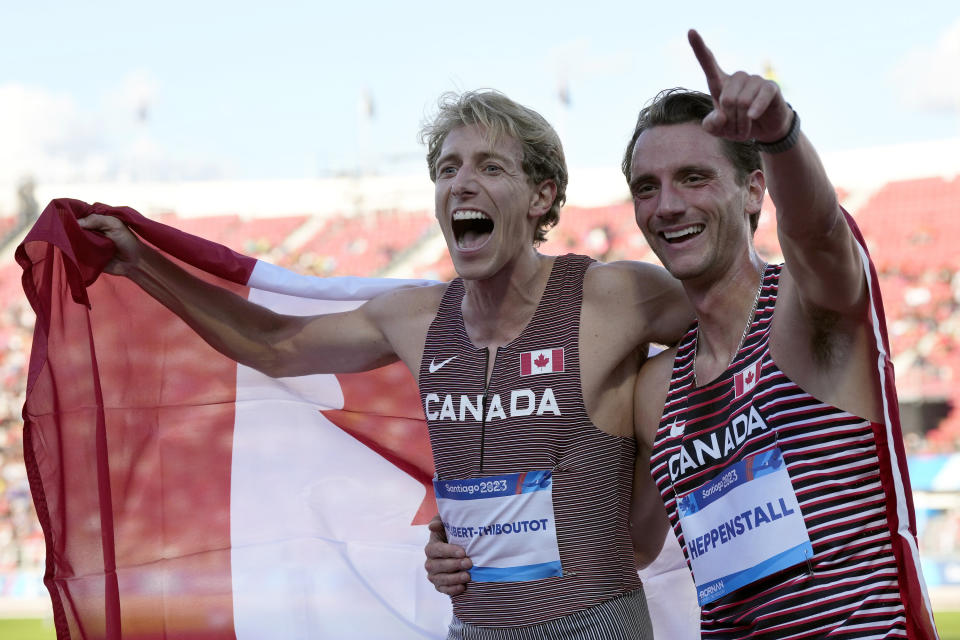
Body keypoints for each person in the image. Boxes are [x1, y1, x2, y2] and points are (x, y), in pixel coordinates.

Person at [78, 89, 692, 638]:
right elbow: (271, 345)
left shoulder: (612, 299)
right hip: (476, 625)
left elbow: (742, 320)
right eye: (447, 168)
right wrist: (141, 265)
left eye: (490, 166)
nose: (462, 183)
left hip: (594, 621)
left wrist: (660, 446)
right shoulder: (415, 319)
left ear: (542, 196)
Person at [426, 30, 941, 638]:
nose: (666, 205)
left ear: (754, 190)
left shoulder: (807, 314)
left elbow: (819, 234)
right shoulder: (657, 388)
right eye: (647, 187)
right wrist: (474, 545)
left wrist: (778, 135)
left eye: (693, 177)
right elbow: (629, 545)